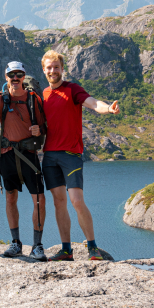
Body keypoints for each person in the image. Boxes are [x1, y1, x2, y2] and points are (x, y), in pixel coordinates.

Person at [40, 50, 120, 261]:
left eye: (56, 67)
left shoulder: (72, 89)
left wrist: (107, 109)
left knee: (76, 200)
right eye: (49, 67)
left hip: (70, 155)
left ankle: (92, 246)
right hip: (49, 156)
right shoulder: (43, 95)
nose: (53, 71)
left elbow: (93, 103)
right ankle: (66, 250)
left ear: (62, 69)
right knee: (59, 203)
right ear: (44, 70)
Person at [0, 61, 47, 261]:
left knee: (39, 200)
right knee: (10, 198)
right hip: (8, 154)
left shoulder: (33, 99)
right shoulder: (0, 99)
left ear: (24, 77)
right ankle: (16, 243)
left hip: (30, 155)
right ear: (6, 77)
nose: (15, 79)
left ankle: (37, 246)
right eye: (11, 75)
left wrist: (39, 130)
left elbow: (45, 127)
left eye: (19, 75)